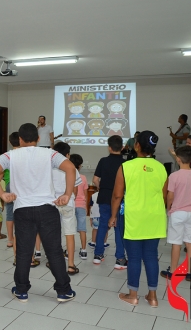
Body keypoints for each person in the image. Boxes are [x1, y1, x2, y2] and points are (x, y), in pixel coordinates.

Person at [0, 123, 77, 303]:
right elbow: (70, 167)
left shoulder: (10, 155)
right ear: (38, 138)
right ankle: (63, 291)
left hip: (23, 209)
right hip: (47, 209)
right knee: (54, 252)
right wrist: (67, 194)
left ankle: (21, 290)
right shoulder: (49, 153)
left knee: (23, 251)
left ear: (19, 140)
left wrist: (2, 193)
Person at [109, 131, 168, 307]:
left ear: (137, 145)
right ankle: (153, 296)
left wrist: (113, 216)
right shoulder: (161, 167)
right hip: (155, 216)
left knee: (134, 257)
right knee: (151, 256)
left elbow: (117, 195)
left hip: (134, 216)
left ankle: (133, 295)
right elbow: (164, 196)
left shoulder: (126, 166)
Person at [160, 146, 191, 281]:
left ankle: (173, 271)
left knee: (176, 243)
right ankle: (189, 272)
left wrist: (168, 208)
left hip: (178, 212)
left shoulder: (174, 176)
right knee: (190, 243)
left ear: (178, 159)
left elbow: (170, 195)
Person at [92, 135, 127, 269]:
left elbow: (95, 179)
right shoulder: (125, 163)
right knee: (119, 227)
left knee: (102, 225)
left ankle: (98, 255)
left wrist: (102, 188)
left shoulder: (103, 161)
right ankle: (120, 259)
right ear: (122, 148)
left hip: (105, 197)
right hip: (120, 199)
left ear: (109, 147)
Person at [52, 142, 82, 274]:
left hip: (52, 204)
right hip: (68, 203)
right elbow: (75, 190)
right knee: (69, 234)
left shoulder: (50, 168)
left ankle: (53, 262)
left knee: (54, 234)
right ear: (68, 155)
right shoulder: (72, 168)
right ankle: (70, 264)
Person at [70, 154, 89, 259]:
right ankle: (83, 250)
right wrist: (85, 206)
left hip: (71, 205)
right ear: (80, 165)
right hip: (81, 205)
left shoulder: (69, 176)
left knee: (70, 229)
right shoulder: (83, 178)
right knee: (82, 228)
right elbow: (85, 194)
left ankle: (69, 250)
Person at [4, 132, 20, 248]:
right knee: (22, 210)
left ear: (10, 142)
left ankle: (10, 239)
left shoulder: (7, 155)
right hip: (21, 184)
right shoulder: (25, 154)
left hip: (9, 184)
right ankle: (20, 237)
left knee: (9, 212)